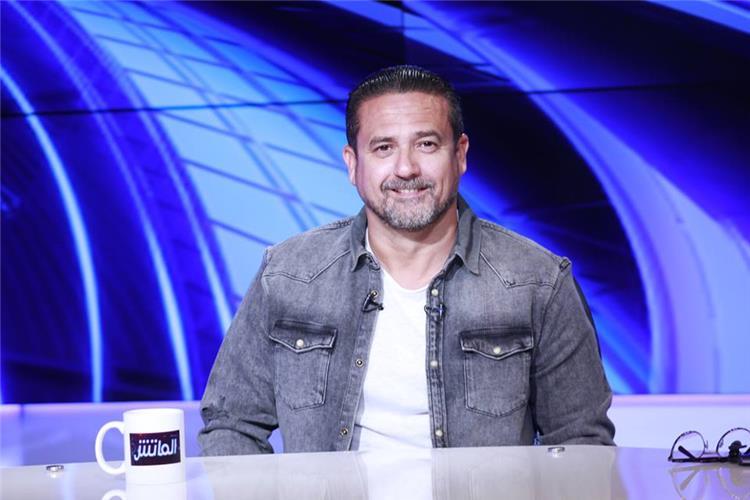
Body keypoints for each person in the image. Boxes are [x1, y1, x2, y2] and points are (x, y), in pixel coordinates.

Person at [198, 65, 615, 455]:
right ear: (353, 164)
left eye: (426, 144)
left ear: (460, 154)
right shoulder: (288, 274)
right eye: (383, 148)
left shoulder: (538, 282)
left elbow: (581, 444)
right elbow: (230, 424)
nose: (406, 168)